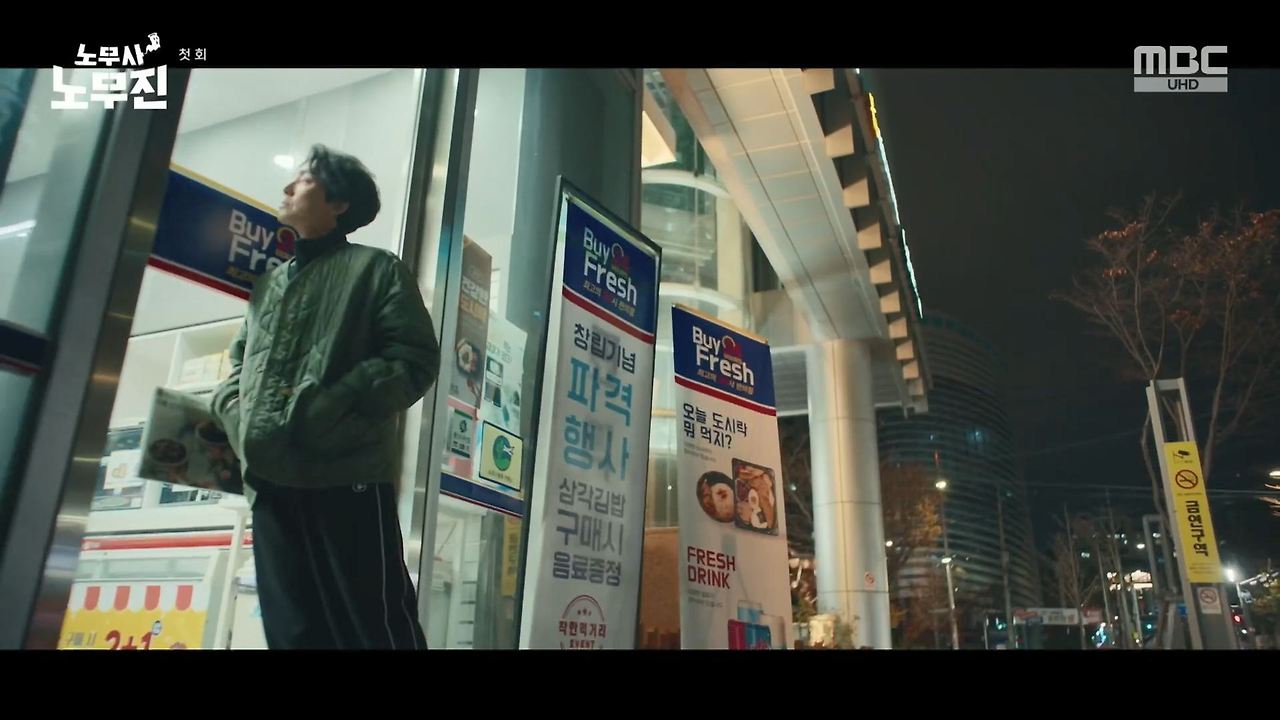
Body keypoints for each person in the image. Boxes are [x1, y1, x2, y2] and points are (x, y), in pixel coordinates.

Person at [211, 144, 439, 649]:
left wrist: (336, 406)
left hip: (348, 476)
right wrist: (234, 414)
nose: (288, 188)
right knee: (292, 631)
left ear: (339, 204)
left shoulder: (376, 269)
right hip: (269, 484)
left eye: (304, 180)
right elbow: (238, 367)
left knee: (374, 624)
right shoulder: (268, 285)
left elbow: (414, 362)